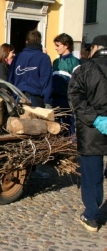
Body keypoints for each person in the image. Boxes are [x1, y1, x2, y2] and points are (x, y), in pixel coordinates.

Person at [67, 35, 107, 232]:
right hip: (95, 126)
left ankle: (91, 215)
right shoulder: (86, 68)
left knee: (92, 174)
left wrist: (96, 119)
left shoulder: (84, 69)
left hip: (91, 131)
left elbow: (75, 99)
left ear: (96, 48)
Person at [8, 30, 53, 179]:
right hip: (35, 100)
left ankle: (17, 165)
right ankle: (31, 169)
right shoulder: (44, 58)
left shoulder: (18, 57)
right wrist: (48, 103)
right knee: (34, 135)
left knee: (18, 133)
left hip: (18, 99)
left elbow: (11, 77)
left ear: (26, 42)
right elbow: (46, 82)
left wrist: (12, 97)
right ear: (40, 42)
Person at [52, 33, 81, 135]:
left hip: (68, 101)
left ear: (66, 45)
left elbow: (79, 84)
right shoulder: (55, 62)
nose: (55, 48)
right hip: (55, 100)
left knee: (69, 128)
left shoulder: (76, 63)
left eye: (58, 45)